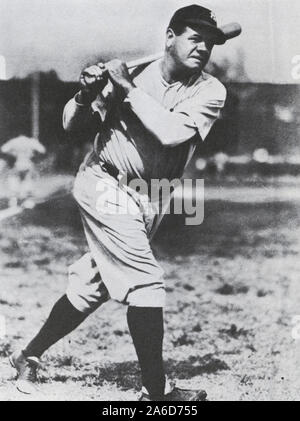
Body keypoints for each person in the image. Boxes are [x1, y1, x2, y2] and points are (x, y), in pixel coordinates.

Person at [10, 4, 227, 401]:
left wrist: (126, 89)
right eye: (194, 38)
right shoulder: (133, 75)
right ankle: (155, 392)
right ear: (170, 38)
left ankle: (27, 354)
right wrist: (85, 93)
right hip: (105, 182)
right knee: (145, 282)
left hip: (155, 193)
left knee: (94, 285)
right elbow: (70, 126)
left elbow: (170, 133)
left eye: (209, 42)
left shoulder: (210, 90)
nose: (203, 48)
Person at [0, 135, 46, 208]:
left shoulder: (14, 141)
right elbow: (42, 150)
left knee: (14, 180)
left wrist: (12, 153)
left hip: (18, 164)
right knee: (28, 181)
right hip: (27, 164)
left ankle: (14, 201)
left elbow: (3, 149)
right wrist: (33, 154)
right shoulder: (31, 141)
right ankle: (26, 200)